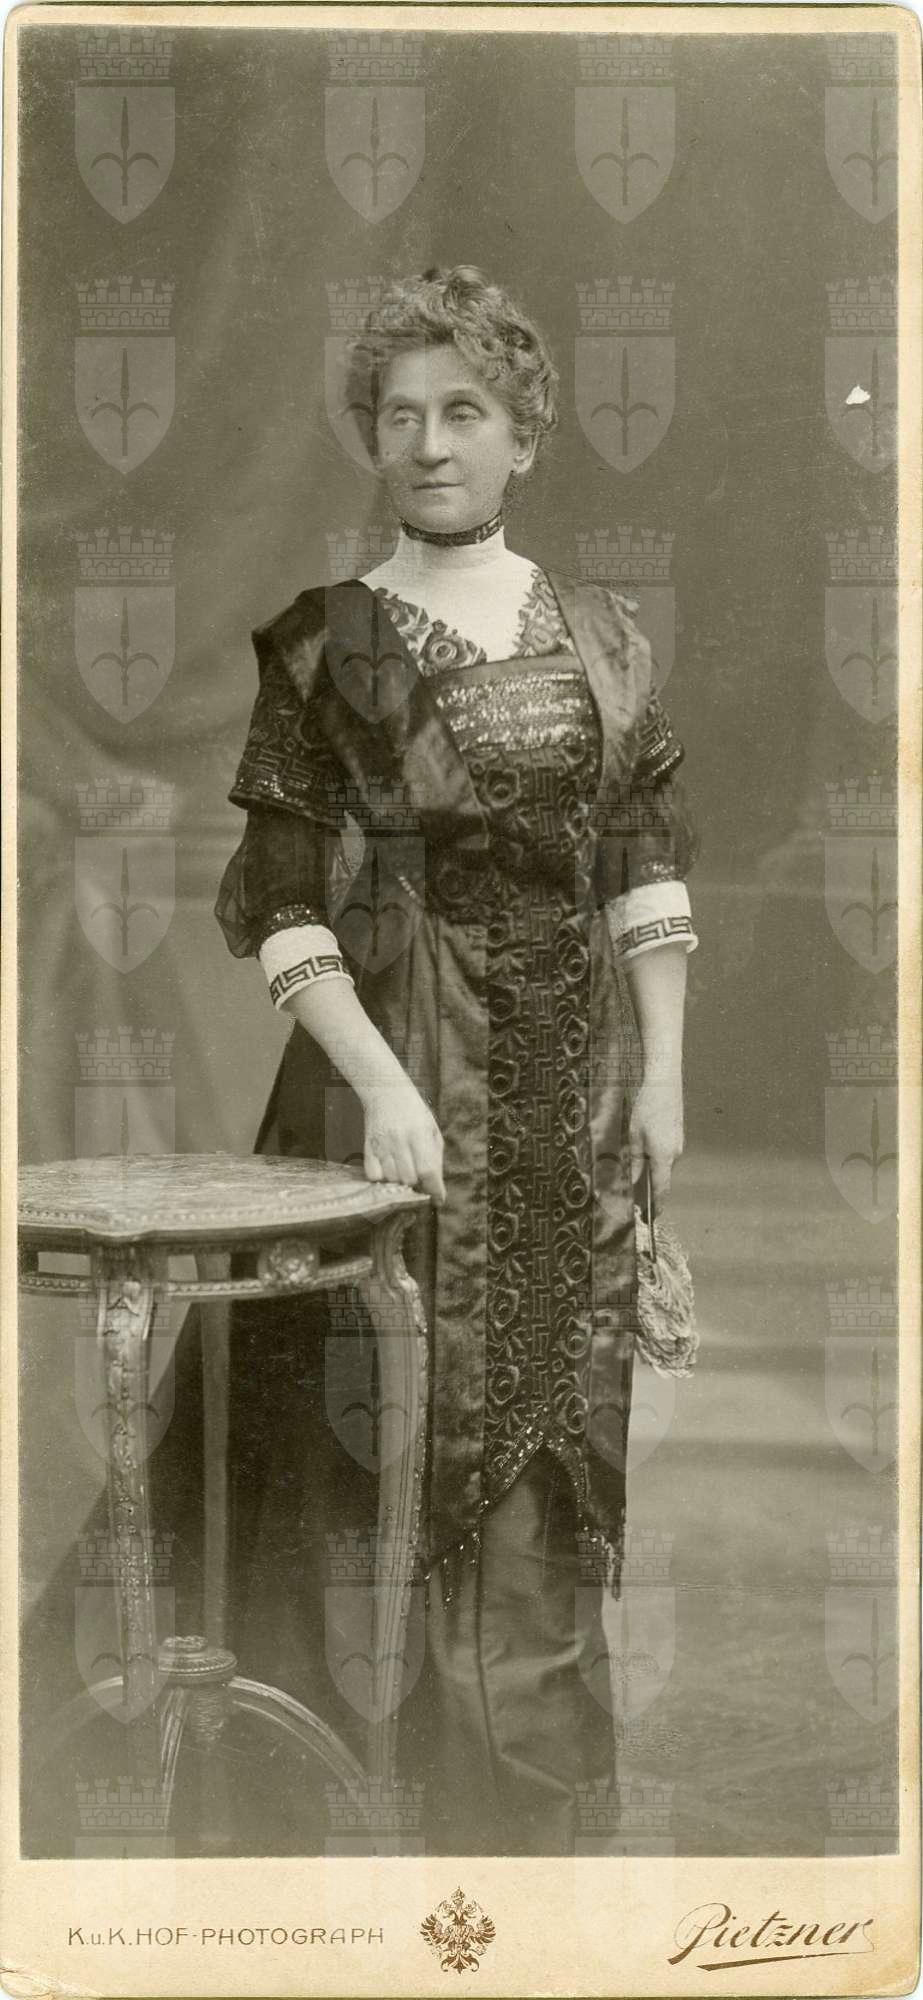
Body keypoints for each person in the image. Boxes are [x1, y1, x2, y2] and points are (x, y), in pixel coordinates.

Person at [214, 264, 699, 1857]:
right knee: (379, 1457)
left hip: (575, 1098)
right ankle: (375, 1840)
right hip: (397, 1085)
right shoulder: (324, 646)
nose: (429, 443)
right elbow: (280, 905)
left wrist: (666, 1077)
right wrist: (384, 1088)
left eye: (465, 411)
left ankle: (540, 1842)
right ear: (374, 436)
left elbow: (643, 867)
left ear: (525, 436)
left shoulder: (607, 636)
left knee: (557, 1446)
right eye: (401, 415)